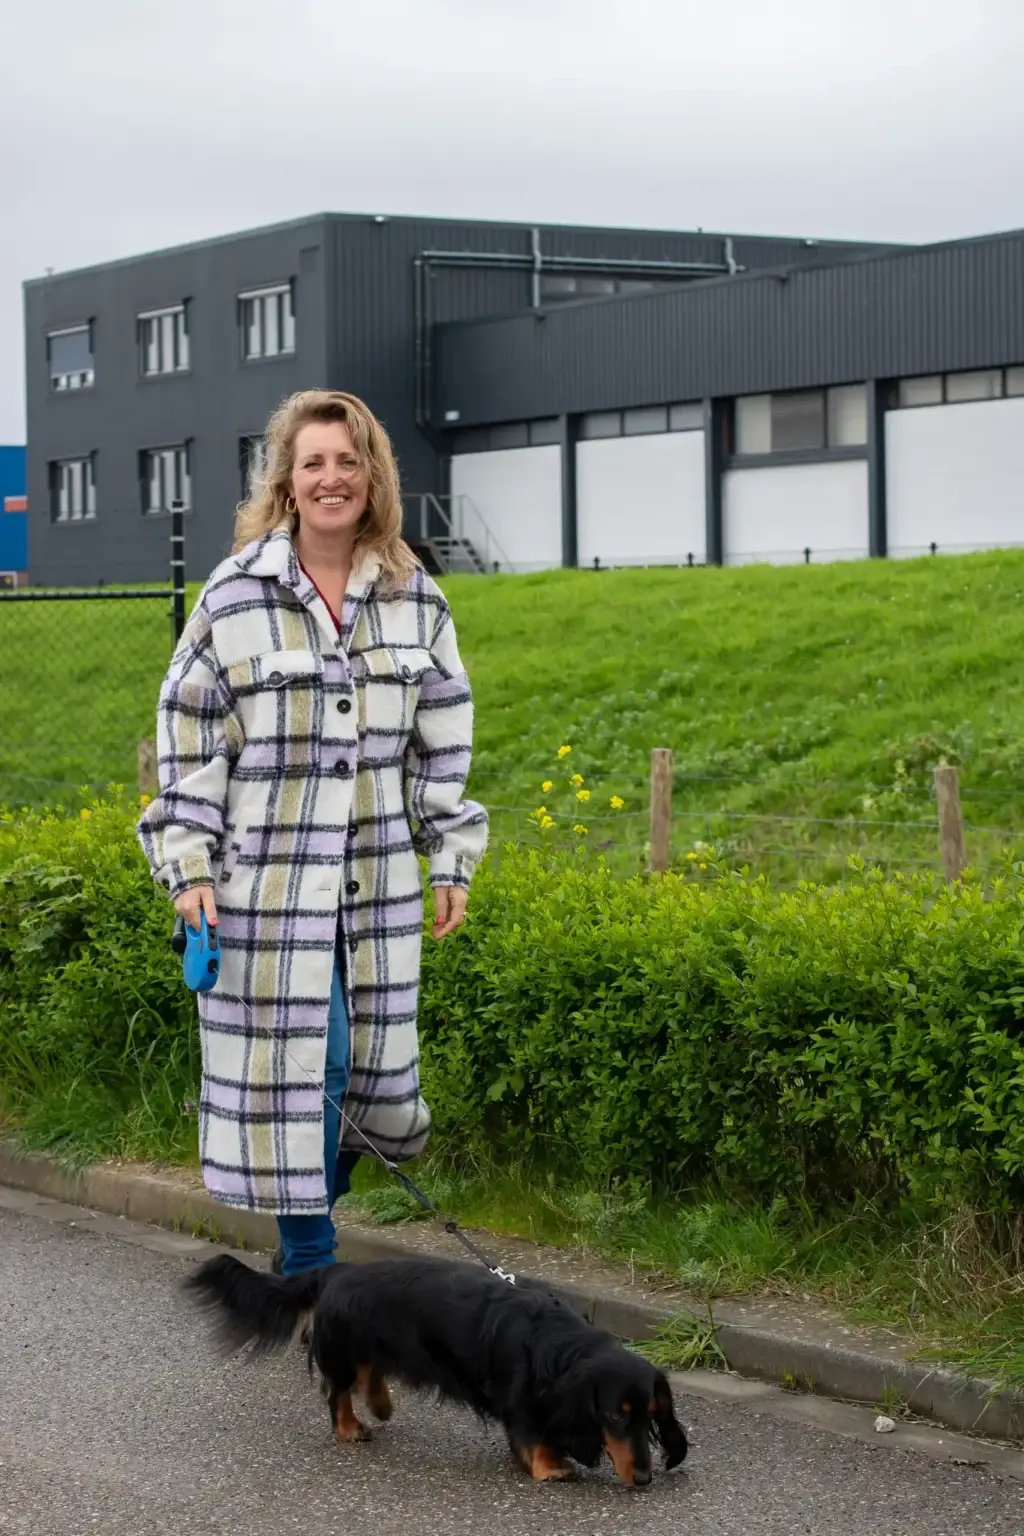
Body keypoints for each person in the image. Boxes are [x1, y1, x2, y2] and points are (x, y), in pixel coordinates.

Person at [138, 388, 488, 1276]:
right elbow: (187, 739)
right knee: (312, 1075)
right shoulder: (234, 596)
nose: (332, 478)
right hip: (266, 893)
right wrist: (188, 867)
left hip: (375, 892)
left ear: (373, 476)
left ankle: (307, 1247)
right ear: (287, 482)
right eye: (313, 463)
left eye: (348, 460)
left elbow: (442, 741)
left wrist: (450, 855)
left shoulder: (418, 599)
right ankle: (311, 1271)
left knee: (375, 1091)